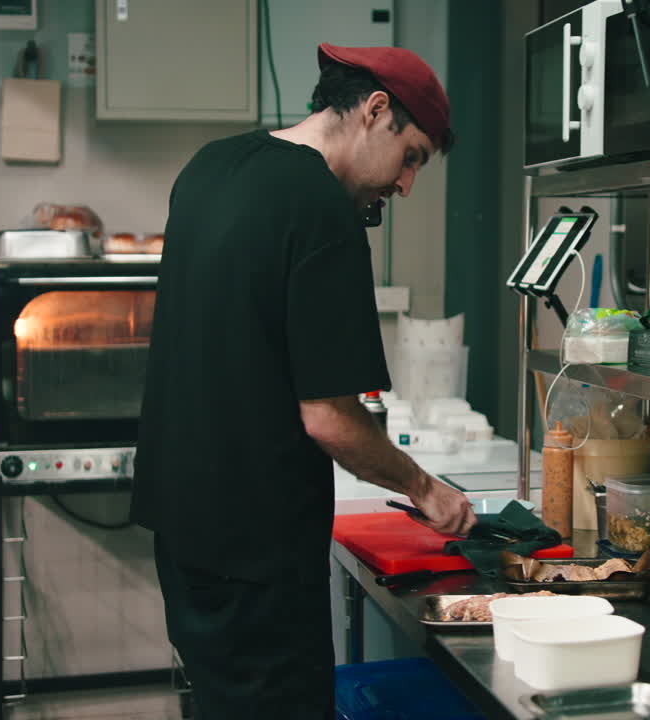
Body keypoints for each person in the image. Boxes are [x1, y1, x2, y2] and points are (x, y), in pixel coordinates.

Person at [130, 43, 478, 719]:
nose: (406, 186)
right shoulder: (321, 207)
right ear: (376, 110)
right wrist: (425, 489)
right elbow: (329, 417)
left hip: (185, 538)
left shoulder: (210, 166)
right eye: (412, 157)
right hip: (257, 551)